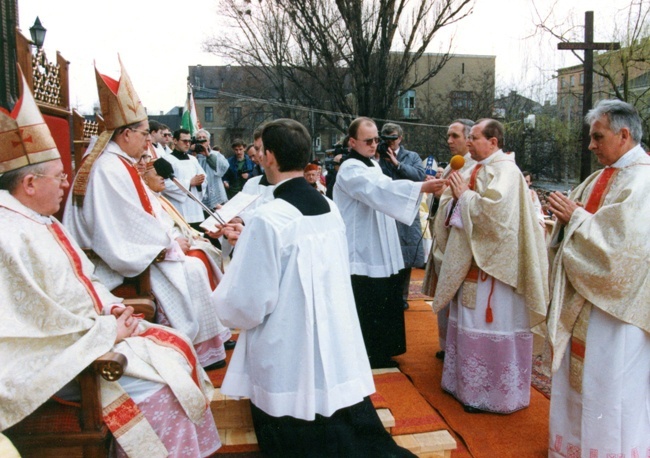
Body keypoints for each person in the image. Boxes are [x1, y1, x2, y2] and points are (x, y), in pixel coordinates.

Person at [0, 70, 220, 456]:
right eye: (57, 177)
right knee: (165, 384)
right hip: (67, 361)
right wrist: (107, 332)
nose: (66, 184)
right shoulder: (10, 236)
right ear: (30, 184)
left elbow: (78, 283)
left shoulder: (37, 221)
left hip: (91, 333)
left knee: (176, 348)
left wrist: (112, 307)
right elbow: (30, 330)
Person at [213, 118, 414, 457]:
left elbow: (247, 303)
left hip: (286, 350)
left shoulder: (269, 218)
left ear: (270, 157)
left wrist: (222, 306)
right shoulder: (328, 208)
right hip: (331, 337)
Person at [63, 58, 228, 370]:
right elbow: (124, 229)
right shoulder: (108, 169)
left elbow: (139, 216)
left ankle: (207, 343)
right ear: (125, 134)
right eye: (143, 134)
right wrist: (166, 246)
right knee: (189, 268)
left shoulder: (116, 161)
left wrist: (171, 240)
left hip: (131, 250)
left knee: (192, 261)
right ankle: (194, 347)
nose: (148, 141)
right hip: (112, 263)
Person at [546, 100, 650, 457]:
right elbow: (576, 221)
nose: (591, 145)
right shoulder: (598, 177)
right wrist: (563, 219)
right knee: (582, 384)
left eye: (597, 137)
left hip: (616, 309)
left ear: (624, 135)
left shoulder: (644, 179)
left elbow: (628, 249)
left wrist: (574, 218)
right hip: (585, 300)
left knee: (611, 388)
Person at [431, 118, 548, 414]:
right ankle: (465, 387)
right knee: (467, 323)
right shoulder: (471, 167)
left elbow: (496, 218)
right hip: (468, 262)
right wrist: (451, 200)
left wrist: (464, 197)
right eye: (468, 137)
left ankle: (493, 396)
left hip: (494, 271)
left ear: (493, 142)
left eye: (474, 137)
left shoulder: (507, 172)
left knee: (486, 324)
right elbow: (450, 203)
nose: (468, 143)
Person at [333, 116, 447, 369]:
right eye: (368, 141)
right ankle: (369, 352)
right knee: (368, 298)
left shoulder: (371, 164)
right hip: (362, 246)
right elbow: (379, 190)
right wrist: (421, 187)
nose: (374, 145)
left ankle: (384, 349)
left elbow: (384, 186)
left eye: (376, 140)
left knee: (384, 293)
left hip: (380, 243)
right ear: (352, 142)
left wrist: (419, 186)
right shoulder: (351, 168)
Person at [422, 119, 476, 360]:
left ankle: (455, 348)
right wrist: (439, 195)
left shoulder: (476, 168)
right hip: (444, 240)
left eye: (455, 136)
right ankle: (447, 346)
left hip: (462, 246)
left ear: (469, 138)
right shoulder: (455, 166)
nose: (449, 141)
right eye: (448, 135)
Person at [378, 122, 426, 310]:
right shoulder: (376, 156)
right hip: (384, 210)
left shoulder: (411, 156)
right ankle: (386, 295)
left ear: (401, 138)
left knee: (406, 255)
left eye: (394, 138)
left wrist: (397, 164)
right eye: (386, 138)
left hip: (406, 211)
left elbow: (419, 176)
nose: (390, 142)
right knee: (385, 252)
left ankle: (402, 296)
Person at [162, 128, 207, 231]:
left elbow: (204, 179)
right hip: (179, 208)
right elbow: (165, 185)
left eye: (189, 141)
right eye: (184, 141)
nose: (187, 144)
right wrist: (189, 183)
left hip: (195, 209)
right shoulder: (166, 160)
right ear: (175, 141)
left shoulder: (193, 159)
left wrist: (200, 182)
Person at [193, 128, 229, 210]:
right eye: (199, 138)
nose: (201, 140)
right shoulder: (193, 156)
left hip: (215, 191)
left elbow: (223, 168)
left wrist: (208, 155)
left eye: (204, 138)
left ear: (208, 141)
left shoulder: (216, 154)